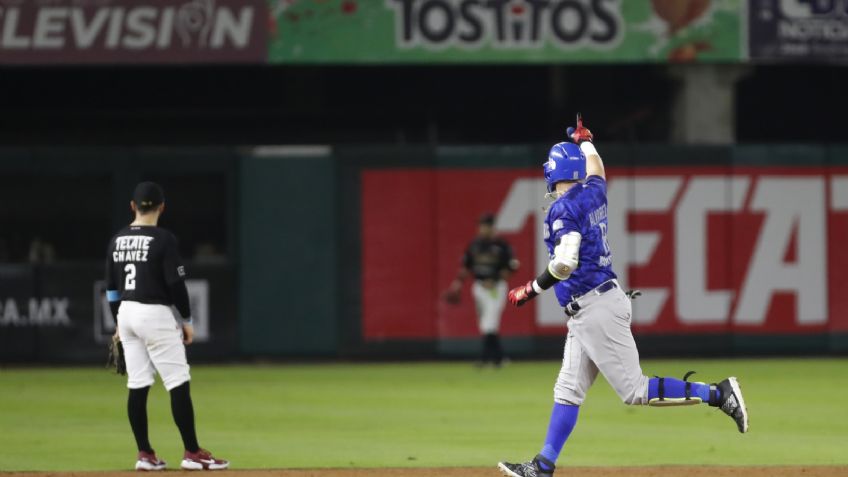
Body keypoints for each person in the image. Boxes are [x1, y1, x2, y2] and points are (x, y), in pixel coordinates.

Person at [497, 116, 749, 477]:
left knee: (635, 390)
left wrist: (530, 289)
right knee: (568, 390)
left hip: (594, 306)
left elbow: (565, 263)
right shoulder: (592, 191)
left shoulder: (563, 209)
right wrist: (586, 141)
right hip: (592, 306)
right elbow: (597, 169)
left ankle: (719, 393)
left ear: (551, 174)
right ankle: (543, 466)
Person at [106, 181, 229, 471]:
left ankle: (145, 454)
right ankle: (192, 452)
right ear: (162, 206)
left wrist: (118, 323)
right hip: (154, 313)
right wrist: (186, 320)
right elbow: (176, 284)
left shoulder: (117, 239)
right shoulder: (163, 239)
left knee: (137, 384)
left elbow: (112, 290)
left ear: (133, 207)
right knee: (177, 382)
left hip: (127, 312)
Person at [444, 213, 519, 367]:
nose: (482, 229)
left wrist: (496, 278)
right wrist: (457, 284)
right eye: (481, 226)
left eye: (485, 226)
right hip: (479, 287)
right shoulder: (475, 245)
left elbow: (512, 266)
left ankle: (484, 359)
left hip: (495, 288)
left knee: (490, 322)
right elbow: (466, 267)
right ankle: (499, 359)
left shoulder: (501, 245)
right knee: (485, 324)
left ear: (492, 227)